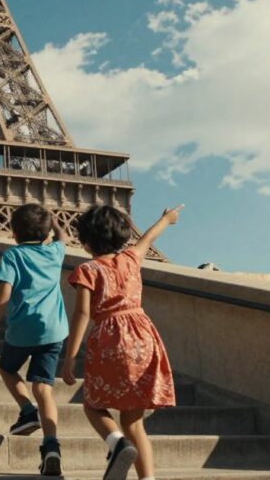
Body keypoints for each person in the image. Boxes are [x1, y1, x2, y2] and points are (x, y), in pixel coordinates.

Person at [60, 204, 183, 480]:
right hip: (142, 337)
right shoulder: (131, 258)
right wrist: (166, 219)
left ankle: (116, 444)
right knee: (134, 422)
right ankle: (147, 478)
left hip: (109, 339)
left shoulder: (87, 269)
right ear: (122, 235)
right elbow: (148, 238)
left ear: (86, 242)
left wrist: (70, 356)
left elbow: (82, 313)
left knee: (92, 405)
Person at [0, 204, 69, 476]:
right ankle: (51, 445)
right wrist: (54, 221)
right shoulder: (55, 251)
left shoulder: (12, 256)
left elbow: (3, 294)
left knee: (7, 368)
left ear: (14, 233)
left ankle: (27, 411)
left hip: (21, 331)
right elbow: (63, 237)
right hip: (53, 331)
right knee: (44, 388)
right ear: (46, 234)